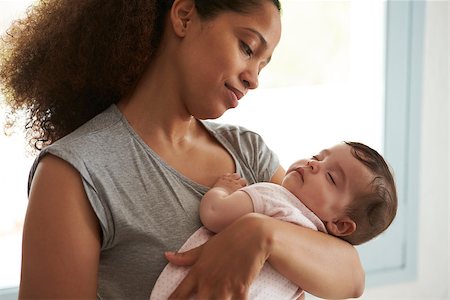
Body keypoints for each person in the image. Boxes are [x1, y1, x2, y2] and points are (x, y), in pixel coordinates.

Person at [0, 0, 366, 299]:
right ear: (185, 15)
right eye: (247, 47)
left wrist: (259, 235)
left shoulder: (248, 152)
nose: (254, 78)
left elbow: (350, 276)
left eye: (262, 65)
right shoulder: (76, 173)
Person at [151, 141, 398, 299]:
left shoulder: (274, 197)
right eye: (317, 156)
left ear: (342, 225)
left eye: (331, 177)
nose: (314, 165)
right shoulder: (316, 252)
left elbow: (214, 214)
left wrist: (222, 190)